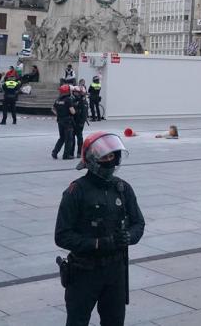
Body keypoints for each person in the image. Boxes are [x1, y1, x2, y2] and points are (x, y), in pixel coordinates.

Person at [55, 133, 144, 326]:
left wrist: (129, 236)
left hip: (115, 271)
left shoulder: (122, 188)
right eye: (104, 157)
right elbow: (62, 236)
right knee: (77, 321)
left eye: (112, 156)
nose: (109, 161)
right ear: (93, 159)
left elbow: (139, 223)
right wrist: (97, 243)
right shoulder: (76, 191)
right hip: (84, 271)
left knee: (114, 321)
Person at [52, 85, 77, 160]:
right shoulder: (68, 100)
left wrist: (59, 114)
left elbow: (53, 109)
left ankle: (55, 152)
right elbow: (72, 112)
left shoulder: (58, 99)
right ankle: (66, 155)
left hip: (60, 120)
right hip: (68, 121)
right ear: (67, 91)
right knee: (68, 139)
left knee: (61, 138)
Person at [71, 87, 88, 158]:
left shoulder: (83, 101)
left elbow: (84, 114)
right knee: (72, 138)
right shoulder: (73, 100)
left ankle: (79, 152)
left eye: (77, 92)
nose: (75, 93)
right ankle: (71, 153)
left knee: (79, 138)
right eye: (74, 92)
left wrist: (82, 122)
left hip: (79, 122)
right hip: (73, 121)